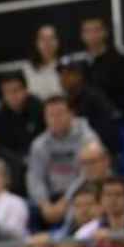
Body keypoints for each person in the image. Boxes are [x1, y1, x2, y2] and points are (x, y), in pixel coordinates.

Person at [29, 99, 98, 227]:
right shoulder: (39, 144)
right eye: (51, 115)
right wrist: (44, 204)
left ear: (71, 114)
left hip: (81, 194)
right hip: (51, 199)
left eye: (60, 114)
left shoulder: (87, 137)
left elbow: (89, 172)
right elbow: (35, 177)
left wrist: (66, 201)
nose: (56, 119)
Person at [26, 25, 65, 101]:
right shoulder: (27, 68)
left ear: (58, 41)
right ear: (37, 43)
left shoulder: (66, 64)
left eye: (51, 38)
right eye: (43, 39)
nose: (47, 43)